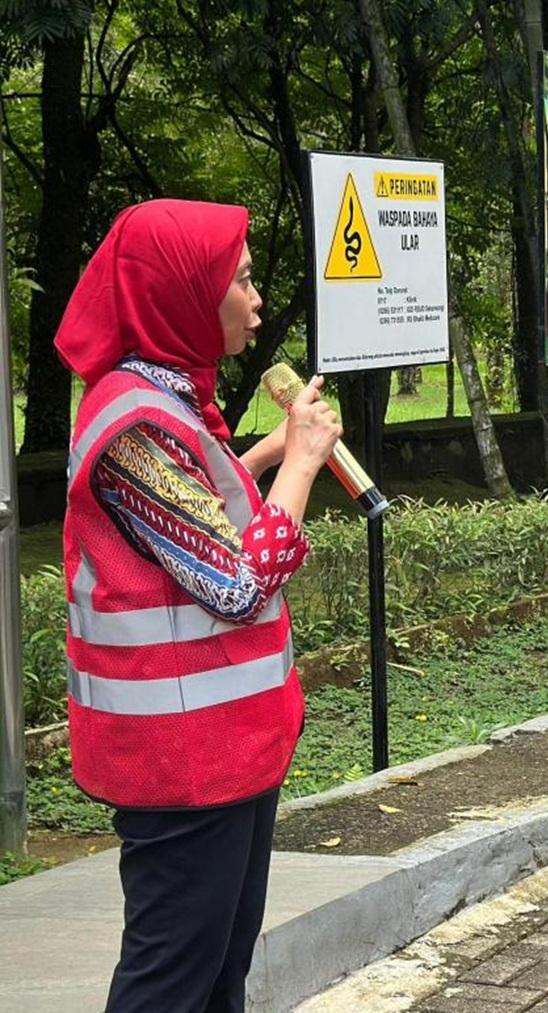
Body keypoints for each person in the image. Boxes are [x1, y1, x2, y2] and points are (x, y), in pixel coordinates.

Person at [55, 199, 342, 1013]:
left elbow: (195, 521)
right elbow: (234, 581)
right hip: (180, 766)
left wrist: (271, 451)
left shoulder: (170, 397)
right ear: (184, 293)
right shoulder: (133, 425)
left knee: (218, 976)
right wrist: (304, 466)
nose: (256, 298)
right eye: (242, 279)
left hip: (226, 752)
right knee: (170, 984)